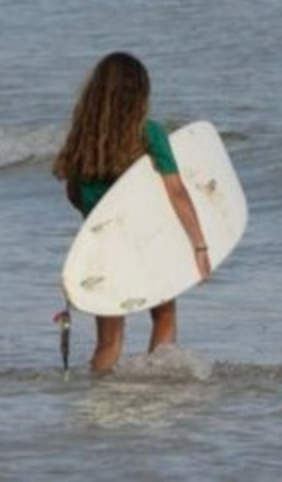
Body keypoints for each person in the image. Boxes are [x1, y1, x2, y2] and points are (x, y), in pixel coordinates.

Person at [51, 52, 211, 375]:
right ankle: (158, 386)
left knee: (109, 340)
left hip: (103, 250)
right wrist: (199, 245)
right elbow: (177, 192)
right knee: (163, 315)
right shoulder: (149, 134)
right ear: (139, 95)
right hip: (146, 244)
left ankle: (98, 394)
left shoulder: (82, 140)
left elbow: (73, 194)